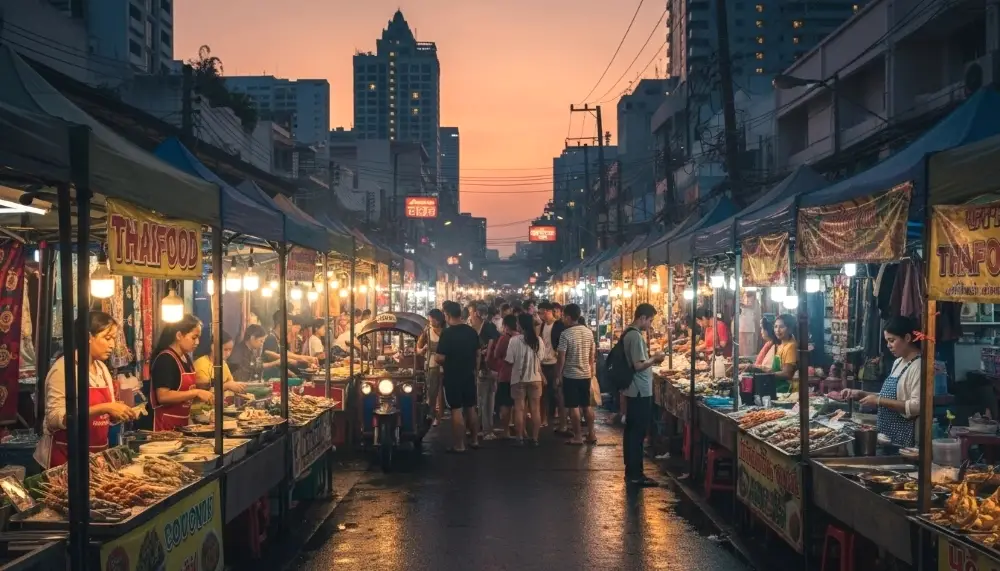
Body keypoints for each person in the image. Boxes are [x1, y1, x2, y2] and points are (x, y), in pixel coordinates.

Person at [34, 312, 138, 468]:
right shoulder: (63, 369)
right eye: (107, 338)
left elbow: (105, 417)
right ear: (88, 337)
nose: (112, 345)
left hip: (96, 458)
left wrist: (118, 413)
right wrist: (105, 407)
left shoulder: (102, 368)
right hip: (65, 459)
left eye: (114, 339)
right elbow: (54, 419)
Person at [842, 316, 922, 447]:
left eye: (892, 340)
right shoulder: (898, 362)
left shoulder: (919, 365)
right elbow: (892, 397)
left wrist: (878, 401)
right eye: (887, 341)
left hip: (904, 437)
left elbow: (916, 407)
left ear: (907, 338)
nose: (888, 346)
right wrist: (862, 394)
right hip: (887, 435)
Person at [621, 303, 665, 487]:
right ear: (642, 318)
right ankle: (635, 475)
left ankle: (632, 472)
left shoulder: (628, 333)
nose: (650, 324)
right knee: (637, 434)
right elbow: (638, 365)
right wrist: (655, 358)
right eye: (650, 320)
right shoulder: (635, 336)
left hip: (633, 389)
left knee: (632, 432)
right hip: (639, 390)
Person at [151, 314, 215, 431]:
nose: (197, 342)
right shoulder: (165, 359)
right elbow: (163, 396)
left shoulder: (186, 358)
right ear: (179, 335)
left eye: (198, 338)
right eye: (194, 337)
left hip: (182, 424)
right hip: (164, 425)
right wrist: (196, 392)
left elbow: (184, 393)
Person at [435, 301, 482, 452]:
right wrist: (475, 369)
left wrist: (438, 358)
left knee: (456, 409)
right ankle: (474, 440)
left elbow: (440, 357)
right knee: (471, 407)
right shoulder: (471, 331)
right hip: (469, 374)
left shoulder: (447, 334)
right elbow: (478, 353)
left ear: (447, 315)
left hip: (452, 376)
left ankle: (459, 445)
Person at [556, 303, 597, 445]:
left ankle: (578, 436)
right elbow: (592, 355)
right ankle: (591, 434)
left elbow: (561, 357)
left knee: (573, 406)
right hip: (585, 374)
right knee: (586, 405)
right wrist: (590, 370)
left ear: (568, 317)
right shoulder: (588, 332)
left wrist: (558, 375)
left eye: (563, 317)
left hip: (570, 375)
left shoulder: (565, 334)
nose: (562, 319)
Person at [507, 313, 544, 445]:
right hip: (535, 378)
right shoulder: (538, 340)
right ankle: (535, 438)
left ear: (520, 325)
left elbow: (509, 360)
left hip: (518, 378)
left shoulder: (514, 340)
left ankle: (519, 437)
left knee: (519, 408)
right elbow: (541, 358)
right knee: (535, 409)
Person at [470, 302, 500, 439]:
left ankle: (487, 429)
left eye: (471, 313)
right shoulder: (476, 329)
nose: (470, 317)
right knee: (483, 400)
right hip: (483, 369)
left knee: (487, 400)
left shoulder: (488, 328)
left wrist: (485, 355)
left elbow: (494, 346)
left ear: (477, 314)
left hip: (488, 369)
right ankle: (483, 428)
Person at [538, 301, 567, 432]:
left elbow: (562, 345)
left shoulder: (559, 325)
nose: (540, 315)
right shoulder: (543, 325)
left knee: (558, 393)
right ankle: (543, 419)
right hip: (544, 363)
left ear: (549, 311)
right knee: (543, 394)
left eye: (542, 312)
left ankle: (562, 423)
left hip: (555, 363)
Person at [262, 310, 315, 378]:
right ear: (279, 325)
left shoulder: (278, 338)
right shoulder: (271, 338)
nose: (290, 329)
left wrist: (305, 358)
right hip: (272, 378)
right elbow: (275, 360)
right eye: (289, 325)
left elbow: (286, 354)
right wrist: (297, 361)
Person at [416, 309, 446, 426]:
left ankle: (441, 414)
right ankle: (434, 415)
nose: (430, 320)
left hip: (445, 365)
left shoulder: (446, 332)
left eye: (431, 318)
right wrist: (423, 350)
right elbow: (418, 349)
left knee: (442, 393)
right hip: (432, 365)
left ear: (437, 319)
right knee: (433, 392)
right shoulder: (427, 332)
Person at [490, 314, 517, 439]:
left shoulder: (504, 339)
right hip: (519, 376)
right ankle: (520, 430)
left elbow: (496, 354)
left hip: (505, 374)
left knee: (505, 404)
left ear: (506, 326)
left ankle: (506, 431)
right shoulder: (521, 338)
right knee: (518, 404)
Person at [771, 314, 800, 393]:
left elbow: (787, 374)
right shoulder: (780, 346)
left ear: (790, 328)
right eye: (775, 326)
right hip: (777, 388)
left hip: (786, 390)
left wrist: (767, 374)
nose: (777, 330)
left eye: (782, 327)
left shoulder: (791, 346)